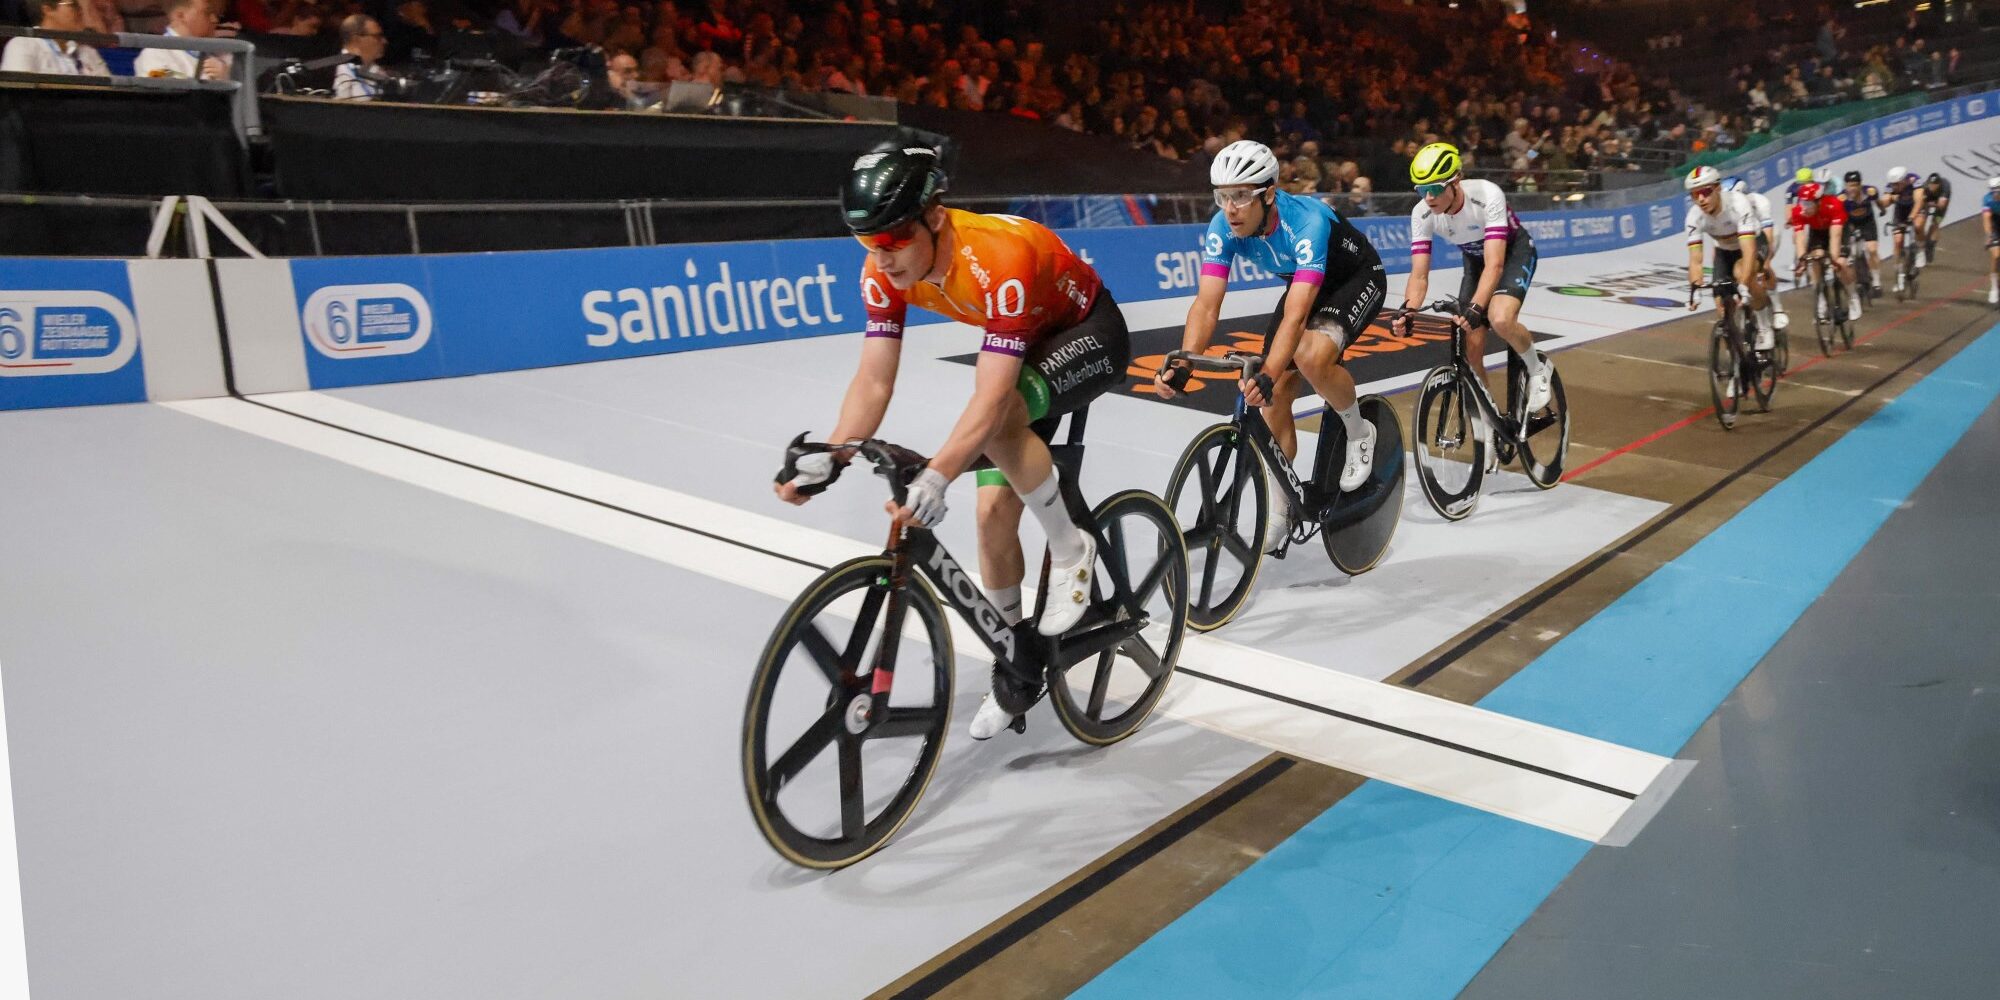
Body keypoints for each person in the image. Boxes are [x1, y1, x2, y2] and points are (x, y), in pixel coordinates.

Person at [779, 146, 1129, 741]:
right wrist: (833, 455)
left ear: (934, 216)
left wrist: (937, 474)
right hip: (1024, 343)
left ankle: (1072, 547)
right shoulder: (880, 271)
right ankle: (1015, 660)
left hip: (1086, 331)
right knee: (990, 514)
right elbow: (874, 380)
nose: (882, 257)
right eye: (868, 242)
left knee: (1000, 419)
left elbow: (992, 400)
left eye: (894, 238)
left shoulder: (997, 255)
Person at [1153, 140, 1388, 552]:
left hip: (1354, 278)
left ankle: (1358, 430)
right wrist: (1185, 363)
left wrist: (1267, 372)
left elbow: (1297, 317)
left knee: (1309, 357)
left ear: (1269, 195)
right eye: (1222, 196)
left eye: (1241, 196)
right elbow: (1206, 305)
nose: (1230, 208)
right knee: (1274, 396)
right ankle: (1283, 506)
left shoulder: (1307, 222)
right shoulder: (1222, 227)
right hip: (1303, 281)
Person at [1392, 142, 1554, 443]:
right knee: (1471, 347)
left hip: (1511, 252)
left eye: (1435, 188)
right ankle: (1489, 424)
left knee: (1500, 318)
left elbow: (1495, 264)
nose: (1428, 197)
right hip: (1475, 261)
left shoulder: (1487, 194)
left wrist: (1477, 307)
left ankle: (1537, 370)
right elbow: (1419, 274)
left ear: (1456, 182)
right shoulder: (1422, 213)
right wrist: (1408, 310)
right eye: (1421, 189)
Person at [1684, 165, 1781, 350]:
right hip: (1724, 250)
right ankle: (1736, 352)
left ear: (1718, 188)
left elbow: (1748, 251)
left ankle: (1764, 326)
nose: (1701, 199)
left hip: (1752, 244)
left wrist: (1743, 283)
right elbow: (1696, 260)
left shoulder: (1738, 204)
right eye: (1695, 195)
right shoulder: (1694, 217)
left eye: (1705, 192)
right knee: (1721, 304)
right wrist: (1695, 289)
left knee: (1741, 273)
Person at [1725, 176, 1791, 331]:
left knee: (1764, 266)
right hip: (1744, 239)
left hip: (1765, 235)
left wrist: (1766, 260)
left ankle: (1777, 309)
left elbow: (1767, 233)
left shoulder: (1760, 202)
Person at [1790, 182, 1862, 322]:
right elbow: (1799, 237)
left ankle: (1853, 296)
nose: (1804, 208)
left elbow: (1835, 237)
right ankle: (1821, 299)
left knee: (1841, 264)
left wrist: (1834, 260)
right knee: (1814, 261)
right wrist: (1802, 260)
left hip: (1838, 229)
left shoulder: (1834, 205)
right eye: (1803, 203)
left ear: (1819, 202)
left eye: (1808, 204)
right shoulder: (1799, 211)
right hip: (1818, 232)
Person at [0, 0, 111, 76]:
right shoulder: (22, 45)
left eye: (80, 7)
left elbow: (109, 96)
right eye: (73, 5)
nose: (81, 11)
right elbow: (17, 97)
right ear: (48, 10)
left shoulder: (89, 53)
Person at [132, 0, 226, 80]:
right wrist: (214, 82)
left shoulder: (221, 55)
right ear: (181, 16)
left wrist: (226, 77)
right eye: (207, 12)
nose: (214, 19)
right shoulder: (154, 53)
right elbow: (163, 83)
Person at [1840, 170, 1884, 294]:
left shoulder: (1870, 191)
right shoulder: (1841, 198)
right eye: (1850, 186)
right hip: (1850, 224)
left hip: (1867, 222)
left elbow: (1878, 202)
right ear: (1846, 186)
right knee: (1850, 254)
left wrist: (1882, 210)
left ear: (1860, 185)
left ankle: (1876, 282)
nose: (1853, 188)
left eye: (1855, 185)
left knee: (1872, 250)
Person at [1879, 166, 1920, 291]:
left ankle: (1918, 251)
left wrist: (1911, 218)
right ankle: (1898, 273)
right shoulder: (1891, 187)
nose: (1894, 187)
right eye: (1893, 185)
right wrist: (1887, 199)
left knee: (1918, 225)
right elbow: (1885, 201)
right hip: (1900, 212)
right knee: (1897, 241)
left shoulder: (1914, 181)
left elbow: (1919, 202)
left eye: (1897, 184)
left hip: (1914, 209)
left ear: (1904, 181)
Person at [333, 14, 387, 101]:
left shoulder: (379, 71)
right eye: (377, 36)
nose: (384, 41)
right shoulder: (330, 69)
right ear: (356, 40)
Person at [1918, 171, 1953, 266]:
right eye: (1931, 185)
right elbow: (1920, 202)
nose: (1932, 187)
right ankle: (1921, 245)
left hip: (1940, 201)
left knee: (1936, 223)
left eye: (1934, 185)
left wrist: (1931, 204)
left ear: (1939, 184)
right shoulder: (1925, 187)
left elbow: (1941, 205)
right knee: (1921, 220)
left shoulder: (1945, 187)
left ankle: (1931, 245)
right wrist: (1926, 206)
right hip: (1929, 199)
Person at [1984, 176, 2000, 305]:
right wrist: (1989, 235)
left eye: (1997, 191)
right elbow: (1986, 218)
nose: (1994, 194)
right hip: (1996, 225)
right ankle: (1994, 287)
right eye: (1992, 191)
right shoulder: (1987, 199)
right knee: (1996, 256)